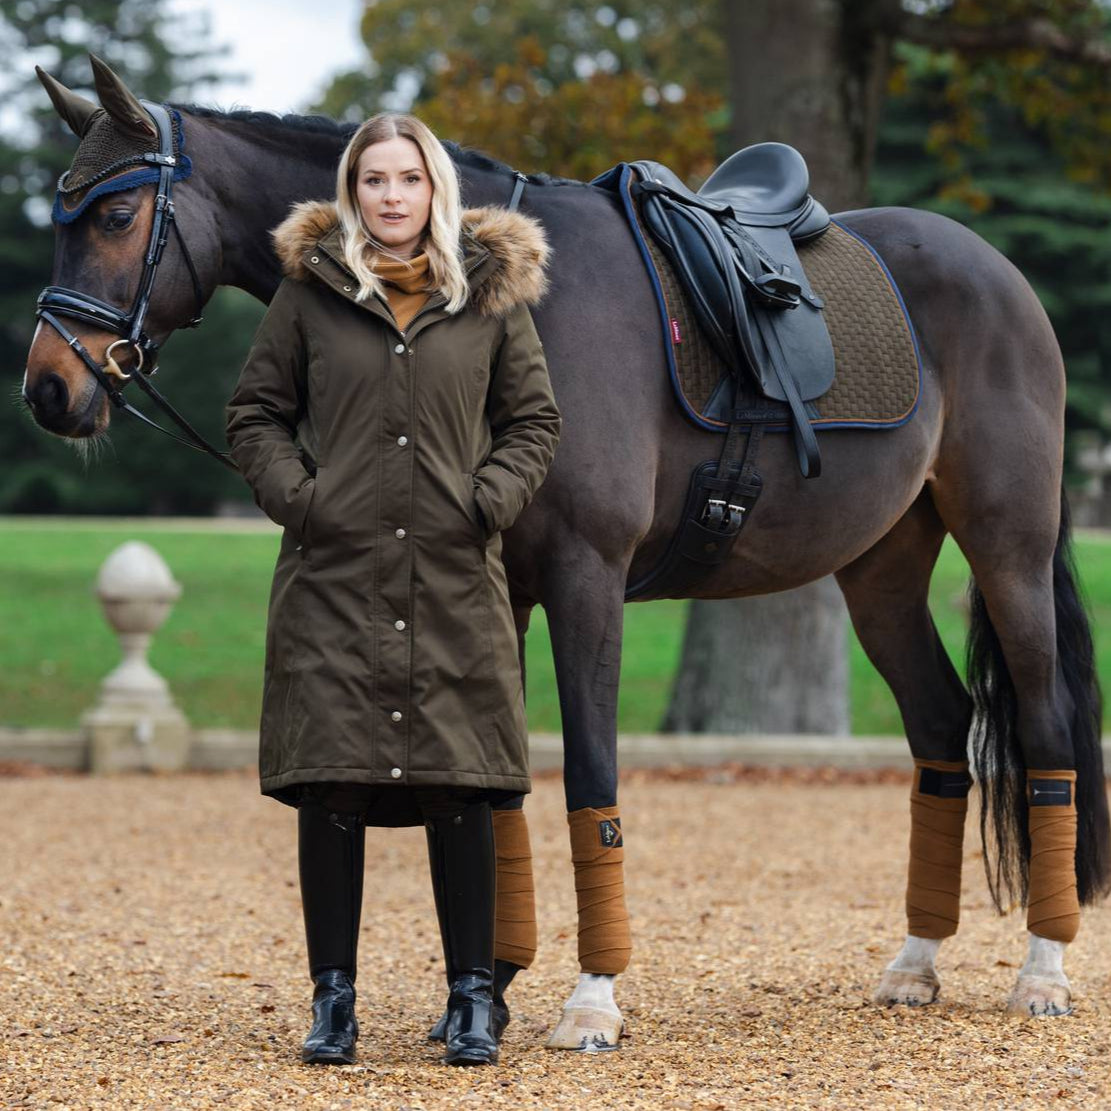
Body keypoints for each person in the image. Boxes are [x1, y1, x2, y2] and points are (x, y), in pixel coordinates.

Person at [224, 111, 560, 1067]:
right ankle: (333, 1000)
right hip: (334, 577)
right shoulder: (309, 296)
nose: (391, 196)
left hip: (455, 575)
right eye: (373, 179)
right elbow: (254, 412)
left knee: (464, 787)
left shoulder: (490, 300)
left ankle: (472, 1000)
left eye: (408, 179)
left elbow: (533, 420)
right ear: (351, 191)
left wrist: (483, 501)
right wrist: (303, 497)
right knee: (332, 785)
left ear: (434, 189)